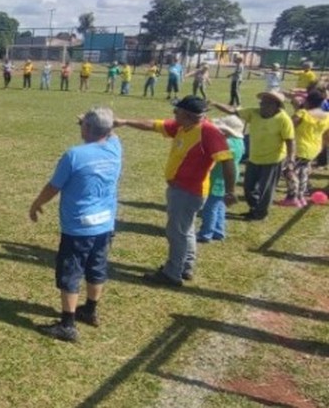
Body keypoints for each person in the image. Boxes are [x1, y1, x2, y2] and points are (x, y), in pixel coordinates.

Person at [114, 96, 236, 285]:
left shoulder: (209, 133)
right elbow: (153, 125)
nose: (173, 113)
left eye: (176, 111)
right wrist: (124, 122)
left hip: (188, 192)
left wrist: (230, 191)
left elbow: (227, 161)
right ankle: (185, 266)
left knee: (176, 232)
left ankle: (172, 273)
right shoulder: (182, 126)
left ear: (187, 115)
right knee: (185, 230)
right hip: (181, 190)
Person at [29, 107, 122, 342]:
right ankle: (90, 310)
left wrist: (37, 203)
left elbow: (53, 187)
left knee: (71, 271)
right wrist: (97, 123)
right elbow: (112, 132)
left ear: (88, 128)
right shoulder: (115, 147)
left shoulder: (75, 155)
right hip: (105, 224)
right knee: (96, 266)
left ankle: (68, 324)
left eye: (83, 125)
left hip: (79, 226)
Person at [212, 91, 295, 220]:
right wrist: (214, 103)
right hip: (254, 157)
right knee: (248, 188)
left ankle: (261, 214)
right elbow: (232, 111)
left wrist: (290, 159)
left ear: (276, 106)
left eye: (266, 103)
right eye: (261, 102)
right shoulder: (253, 112)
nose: (262, 105)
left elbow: (290, 140)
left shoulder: (283, 119)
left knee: (266, 190)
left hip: (273, 159)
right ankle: (254, 208)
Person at [197, 115, 245, 243]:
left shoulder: (226, 143)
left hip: (219, 178)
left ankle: (206, 233)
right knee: (220, 205)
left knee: (210, 207)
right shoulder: (239, 142)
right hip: (230, 177)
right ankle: (218, 231)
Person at [278, 90, 328, 206]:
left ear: (308, 101)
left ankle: (292, 197)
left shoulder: (303, 113)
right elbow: (326, 135)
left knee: (288, 170)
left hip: (299, 147)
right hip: (315, 148)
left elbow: (288, 126)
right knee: (303, 171)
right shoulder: (327, 116)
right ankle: (301, 197)